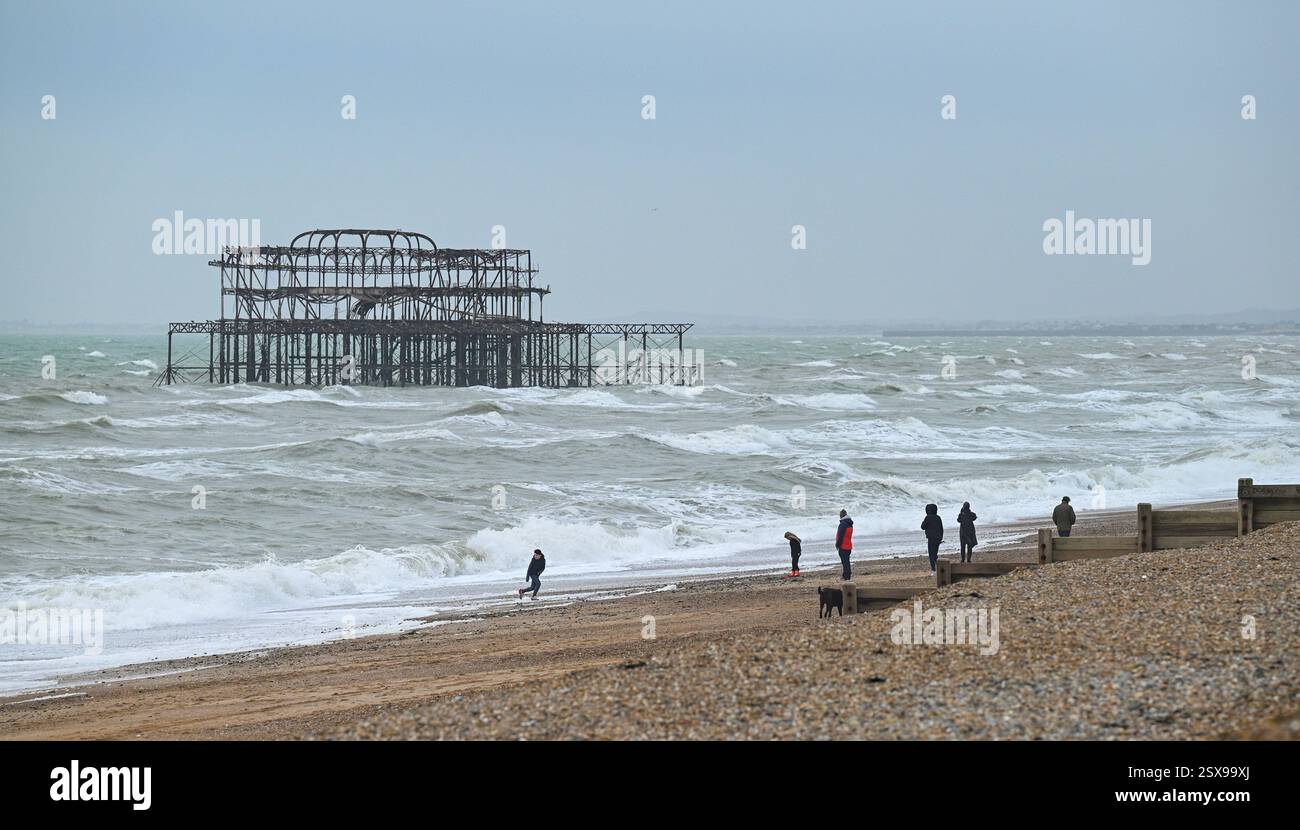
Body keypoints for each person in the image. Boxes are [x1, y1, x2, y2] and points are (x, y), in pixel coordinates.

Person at [921, 503, 944, 575]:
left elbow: (922, 527)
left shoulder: (927, 517)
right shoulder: (938, 517)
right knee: (935, 554)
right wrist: (941, 537)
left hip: (931, 538)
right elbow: (941, 529)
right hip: (938, 538)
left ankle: (934, 570)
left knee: (931, 554)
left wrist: (923, 522)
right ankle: (939, 567)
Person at [835, 510, 854, 580]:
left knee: (845, 562)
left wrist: (837, 545)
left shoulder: (843, 524)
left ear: (841, 516)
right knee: (846, 561)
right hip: (848, 545)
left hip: (843, 546)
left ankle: (846, 577)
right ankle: (846, 575)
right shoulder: (849, 523)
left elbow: (840, 536)